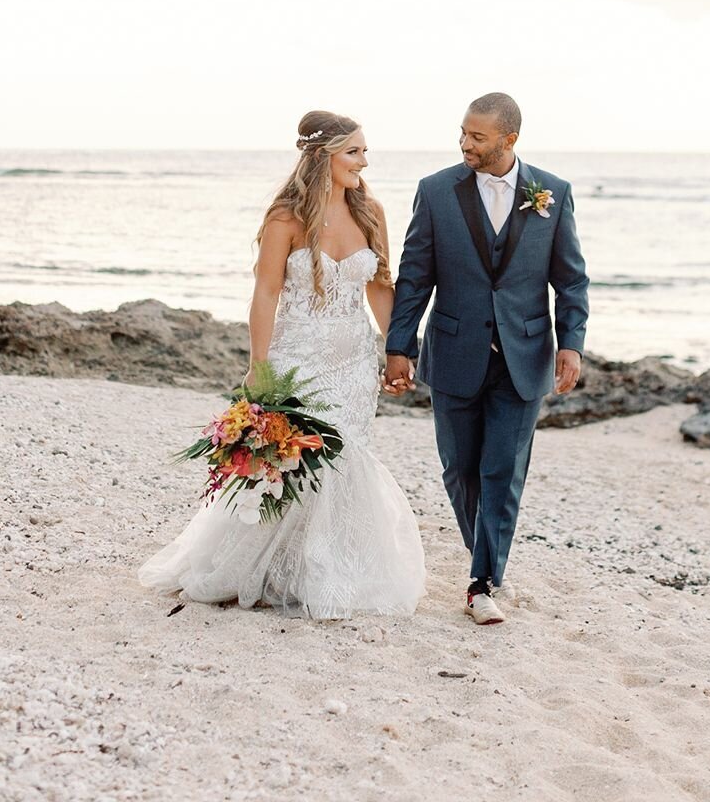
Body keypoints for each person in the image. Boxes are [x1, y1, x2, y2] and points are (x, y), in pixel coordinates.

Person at [138, 110, 425, 618]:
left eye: (363, 150)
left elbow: (381, 286)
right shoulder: (285, 218)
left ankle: (330, 568)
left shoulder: (370, 212)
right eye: (353, 151)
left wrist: (397, 350)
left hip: (354, 360)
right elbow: (267, 291)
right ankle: (269, 568)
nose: (364, 160)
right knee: (298, 463)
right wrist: (259, 365)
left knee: (345, 458)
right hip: (299, 356)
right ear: (323, 156)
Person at [384, 92, 588, 625]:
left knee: (503, 469)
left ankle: (481, 582)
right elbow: (415, 276)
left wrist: (572, 343)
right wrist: (398, 346)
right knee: (460, 469)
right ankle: (489, 560)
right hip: (454, 350)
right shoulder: (435, 191)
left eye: (477, 136)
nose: (465, 144)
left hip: (524, 354)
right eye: (463, 133)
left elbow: (570, 279)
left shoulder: (553, 193)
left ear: (509, 139)